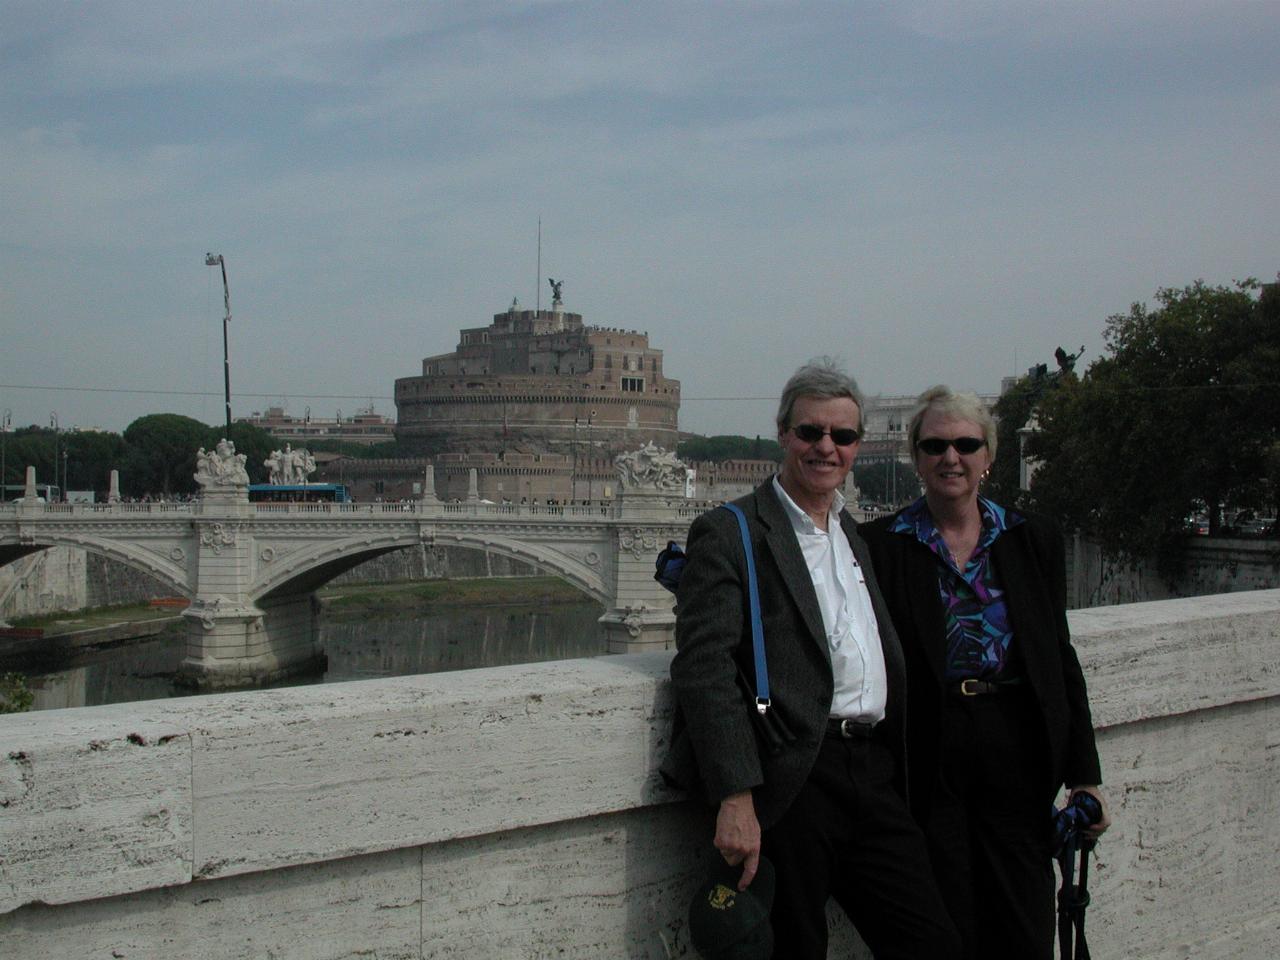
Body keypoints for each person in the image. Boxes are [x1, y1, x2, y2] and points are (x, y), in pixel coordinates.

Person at [662, 359, 960, 960]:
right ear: (783, 434)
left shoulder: (853, 534)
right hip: (790, 778)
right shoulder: (731, 530)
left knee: (934, 943)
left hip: (873, 773)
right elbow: (704, 666)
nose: (827, 447)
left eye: (843, 436)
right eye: (811, 433)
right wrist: (736, 795)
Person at [860, 385, 1111, 960]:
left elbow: (1058, 658)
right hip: (930, 747)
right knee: (947, 923)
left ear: (989, 456)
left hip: (1016, 744)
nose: (952, 457)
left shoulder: (1031, 538)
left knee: (1024, 920)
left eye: (966, 444)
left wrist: (1084, 775)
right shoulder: (880, 545)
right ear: (916, 457)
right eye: (936, 445)